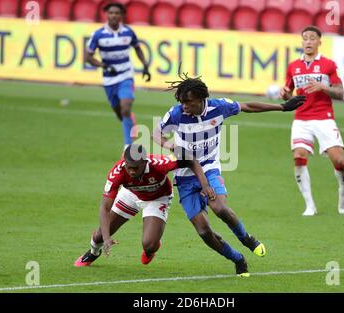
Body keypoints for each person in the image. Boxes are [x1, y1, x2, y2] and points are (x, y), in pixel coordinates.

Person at [152, 73, 306, 276]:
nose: (184, 106)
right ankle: (237, 258)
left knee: (220, 207)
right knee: (204, 232)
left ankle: (246, 238)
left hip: (209, 166)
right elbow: (156, 133)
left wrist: (283, 107)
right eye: (181, 102)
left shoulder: (219, 107)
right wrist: (168, 144)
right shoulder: (176, 114)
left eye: (187, 102)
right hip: (185, 175)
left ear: (200, 99)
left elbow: (248, 106)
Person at [74, 144, 215, 267]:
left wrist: (205, 185)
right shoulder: (117, 172)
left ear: (144, 162)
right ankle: (93, 253)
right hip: (131, 195)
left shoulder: (160, 163)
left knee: (149, 244)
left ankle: (151, 248)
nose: (132, 171)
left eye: (136, 168)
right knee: (100, 236)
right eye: (129, 168)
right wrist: (106, 238)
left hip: (158, 198)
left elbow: (191, 160)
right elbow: (105, 208)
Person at [280, 25, 344, 216]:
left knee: (340, 161)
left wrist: (323, 87)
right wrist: (285, 93)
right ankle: (310, 205)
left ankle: (343, 190)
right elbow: (288, 95)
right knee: (299, 156)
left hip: (324, 118)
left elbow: (341, 93)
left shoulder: (328, 65)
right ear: (301, 42)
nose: (308, 42)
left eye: (312, 38)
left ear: (319, 42)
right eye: (305, 38)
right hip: (301, 118)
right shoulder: (293, 66)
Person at [85, 2, 151, 148]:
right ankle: (129, 121)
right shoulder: (98, 35)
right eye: (111, 13)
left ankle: (128, 145)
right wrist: (104, 66)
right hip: (109, 79)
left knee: (125, 107)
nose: (113, 15)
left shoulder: (128, 32)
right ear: (106, 14)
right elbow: (88, 57)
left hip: (126, 76)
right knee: (119, 112)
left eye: (116, 13)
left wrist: (145, 65)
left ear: (121, 15)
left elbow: (138, 49)